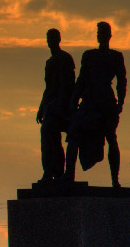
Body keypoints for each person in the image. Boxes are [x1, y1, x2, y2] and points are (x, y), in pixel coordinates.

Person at [64, 22, 126, 187]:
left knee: (111, 138)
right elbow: (81, 80)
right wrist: (73, 101)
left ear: (109, 35)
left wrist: (120, 102)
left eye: (103, 32)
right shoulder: (89, 55)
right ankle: (68, 176)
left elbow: (122, 81)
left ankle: (115, 179)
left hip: (106, 103)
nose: (100, 35)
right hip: (89, 103)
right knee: (74, 134)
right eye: (98, 32)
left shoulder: (115, 56)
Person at [36, 29, 75, 182]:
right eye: (48, 38)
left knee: (48, 129)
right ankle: (51, 171)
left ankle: (54, 171)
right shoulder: (49, 63)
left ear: (59, 39)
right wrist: (41, 108)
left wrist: (61, 106)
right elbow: (48, 88)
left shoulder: (65, 58)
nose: (50, 41)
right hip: (52, 108)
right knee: (48, 134)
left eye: (53, 37)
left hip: (63, 107)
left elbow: (68, 85)